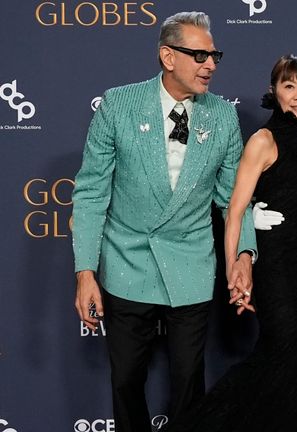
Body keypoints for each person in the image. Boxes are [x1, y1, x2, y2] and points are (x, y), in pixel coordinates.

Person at [72, 11, 257, 432]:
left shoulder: (223, 117)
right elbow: (90, 193)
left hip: (191, 264)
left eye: (214, 55)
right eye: (199, 55)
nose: (210, 64)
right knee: (126, 382)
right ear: (167, 57)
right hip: (125, 263)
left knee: (190, 383)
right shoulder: (118, 105)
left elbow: (234, 200)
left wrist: (244, 254)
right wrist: (85, 273)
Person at [167, 54, 297, 432]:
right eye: (289, 86)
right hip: (276, 271)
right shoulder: (263, 141)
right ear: (273, 91)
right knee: (286, 356)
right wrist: (236, 267)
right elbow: (234, 210)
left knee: (294, 360)